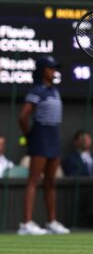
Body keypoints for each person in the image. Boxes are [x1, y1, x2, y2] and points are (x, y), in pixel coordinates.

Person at [18, 55, 69, 235]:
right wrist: (29, 136)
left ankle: (51, 222)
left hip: (53, 137)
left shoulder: (55, 91)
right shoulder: (36, 91)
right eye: (50, 68)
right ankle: (26, 223)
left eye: (55, 68)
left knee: (50, 182)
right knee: (33, 180)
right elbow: (23, 116)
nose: (54, 71)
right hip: (40, 136)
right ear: (42, 71)